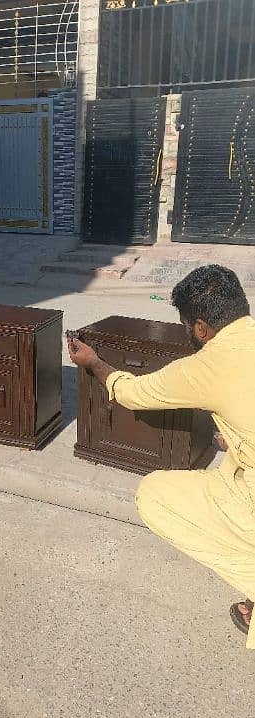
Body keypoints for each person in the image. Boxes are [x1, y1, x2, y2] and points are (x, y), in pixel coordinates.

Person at [67, 265, 255, 648]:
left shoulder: (209, 363)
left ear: (200, 328)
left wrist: (94, 363)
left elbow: (135, 393)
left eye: (187, 324)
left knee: (154, 494)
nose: (187, 332)